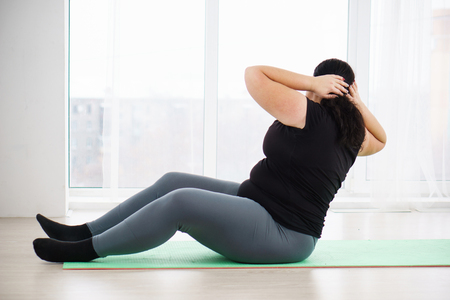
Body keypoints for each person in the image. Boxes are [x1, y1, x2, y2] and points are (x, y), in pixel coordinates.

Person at [33, 58, 386, 263]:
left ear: (322, 88)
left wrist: (312, 82)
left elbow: (254, 74)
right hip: (261, 202)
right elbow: (382, 139)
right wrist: (356, 101)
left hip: (284, 232)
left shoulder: (309, 113)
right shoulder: (354, 138)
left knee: (180, 202)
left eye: (315, 85)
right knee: (173, 181)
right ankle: (84, 230)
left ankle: (87, 250)